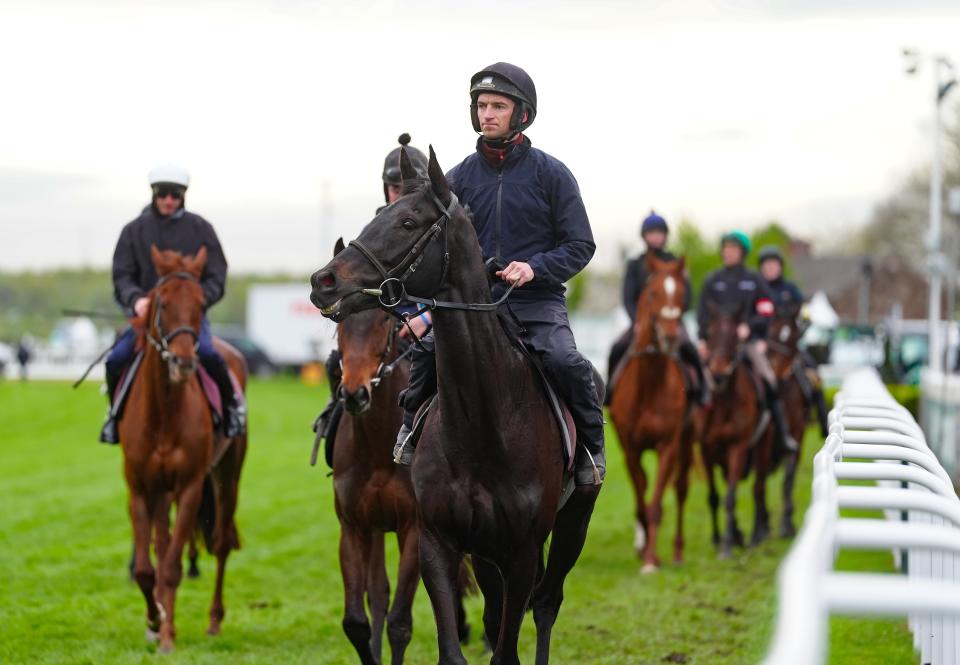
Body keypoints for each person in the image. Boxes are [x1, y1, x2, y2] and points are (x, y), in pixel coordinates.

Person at [392, 62, 605, 486]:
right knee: (427, 353)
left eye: (498, 106)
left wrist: (535, 268)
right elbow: (434, 252)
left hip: (537, 302)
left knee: (565, 360)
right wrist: (426, 310)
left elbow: (581, 245)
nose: (487, 114)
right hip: (473, 304)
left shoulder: (553, 174)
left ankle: (590, 451)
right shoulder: (456, 181)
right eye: (482, 106)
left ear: (521, 114)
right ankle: (411, 430)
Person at [99, 164, 245, 444]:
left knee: (212, 356)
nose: (168, 200)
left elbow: (217, 274)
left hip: (189, 318)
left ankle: (232, 409)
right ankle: (114, 415)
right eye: (163, 194)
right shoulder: (133, 231)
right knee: (116, 358)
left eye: (175, 195)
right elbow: (122, 275)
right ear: (154, 194)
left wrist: (197, 300)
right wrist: (136, 300)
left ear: (183, 196)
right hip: (147, 318)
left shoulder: (201, 229)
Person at [311, 135, 432, 458]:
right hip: (383, 318)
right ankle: (335, 425)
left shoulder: (435, 225)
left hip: (425, 322)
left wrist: (427, 316)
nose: (397, 195)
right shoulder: (375, 227)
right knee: (334, 362)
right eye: (393, 187)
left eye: (404, 187)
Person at [697, 231, 798, 454]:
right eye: (726, 248)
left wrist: (750, 327)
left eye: (734, 249)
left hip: (747, 343)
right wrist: (704, 339)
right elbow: (702, 314)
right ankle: (692, 433)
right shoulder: (713, 280)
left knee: (770, 379)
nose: (729, 252)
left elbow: (766, 310)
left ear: (742, 252)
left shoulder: (754, 280)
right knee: (695, 378)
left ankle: (782, 434)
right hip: (716, 347)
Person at [606, 210, 708, 405]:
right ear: (644, 236)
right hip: (641, 323)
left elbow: (686, 296)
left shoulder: (675, 263)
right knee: (617, 348)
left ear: (665, 236)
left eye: (659, 232)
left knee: (688, 347)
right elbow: (628, 298)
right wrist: (636, 321)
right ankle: (610, 392)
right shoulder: (635, 264)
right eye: (651, 232)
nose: (656, 236)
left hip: (672, 320)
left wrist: (674, 318)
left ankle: (700, 391)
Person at [756, 245, 829, 436]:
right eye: (766, 265)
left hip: (789, 348)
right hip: (762, 346)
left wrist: (798, 335)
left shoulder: (791, 290)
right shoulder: (756, 289)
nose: (770, 268)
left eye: (773, 264)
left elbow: (804, 316)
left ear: (780, 267)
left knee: (813, 376)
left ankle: (823, 422)